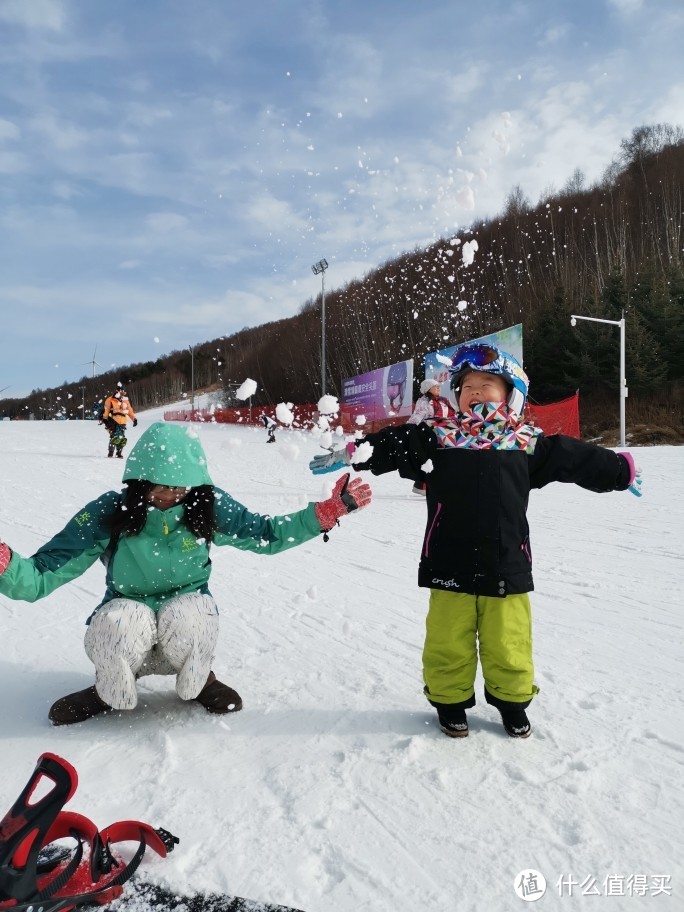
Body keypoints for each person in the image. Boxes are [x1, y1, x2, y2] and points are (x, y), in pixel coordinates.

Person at [310, 343, 642, 740]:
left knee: (510, 640)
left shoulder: (524, 442)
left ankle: (512, 703)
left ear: (511, 393)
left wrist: (619, 470)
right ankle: (450, 702)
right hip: (449, 560)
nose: (476, 391)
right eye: (467, 386)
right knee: (448, 639)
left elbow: (574, 458)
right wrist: (355, 452)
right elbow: (395, 444)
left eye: (488, 383)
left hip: (507, 562)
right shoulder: (438, 437)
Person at [0, 422, 372, 726]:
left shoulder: (207, 507)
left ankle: (200, 680)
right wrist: (6, 565)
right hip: (129, 637)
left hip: (185, 633)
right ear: (140, 481)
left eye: (179, 488)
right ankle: (107, 689)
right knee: (121, 621)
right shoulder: (109, 512)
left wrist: (322, 515)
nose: (169, 496)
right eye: (159, 487)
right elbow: (41, 575)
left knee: (192, 612)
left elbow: (266, 534)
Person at [407, 379, 457, 494]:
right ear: (428, 389)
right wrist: (408, 428)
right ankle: (421, 486)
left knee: (443, 458)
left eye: (439, 386)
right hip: (430, 432)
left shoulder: (444, 400)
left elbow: (453, 413)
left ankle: (423, 485)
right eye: (435, 386)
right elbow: (417, 416)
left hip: (446, 432)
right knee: (430, 459)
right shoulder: (424, 401)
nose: (438, 388)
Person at [101, 382, 137, 458]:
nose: (123, 394)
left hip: (123, 421)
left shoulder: (126, 400)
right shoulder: (110, 399)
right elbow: (106, 409)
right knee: (114, 437)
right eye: (121, 392)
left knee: (122, 438)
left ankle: (119, 452)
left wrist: (134, 419)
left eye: (124, 392)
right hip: (114, 421)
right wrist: (105, 419)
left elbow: (130, 410)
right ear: (117, 391)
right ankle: (111, 452)